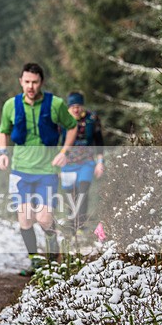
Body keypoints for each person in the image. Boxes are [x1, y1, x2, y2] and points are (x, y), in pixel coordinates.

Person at [0, 63, 78, 276]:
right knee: (24, 219)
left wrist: (65, 152)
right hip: (20, 171)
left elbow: (72, 126)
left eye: (34, 82)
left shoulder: (55, 104)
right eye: (27, 82)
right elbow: (3, 131)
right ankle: (35, 261)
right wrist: (3, 153)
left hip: (46, 172)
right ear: (21, 82)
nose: (30, 86)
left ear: (41, 82)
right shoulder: (10, 105)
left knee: (43, 219)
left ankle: (53, 258)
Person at [59, 92, 105, 232]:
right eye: (72, 106)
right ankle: (72, 222)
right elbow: (55, 142)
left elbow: (99, 141)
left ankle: (81, 224)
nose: (76, 109)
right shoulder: (62, 121)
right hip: (67, 163)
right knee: (70, 194)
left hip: (87, 161)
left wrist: (100, 162)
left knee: (83, 190)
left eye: (78, 106)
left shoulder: (92, 118)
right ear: (68, 108)